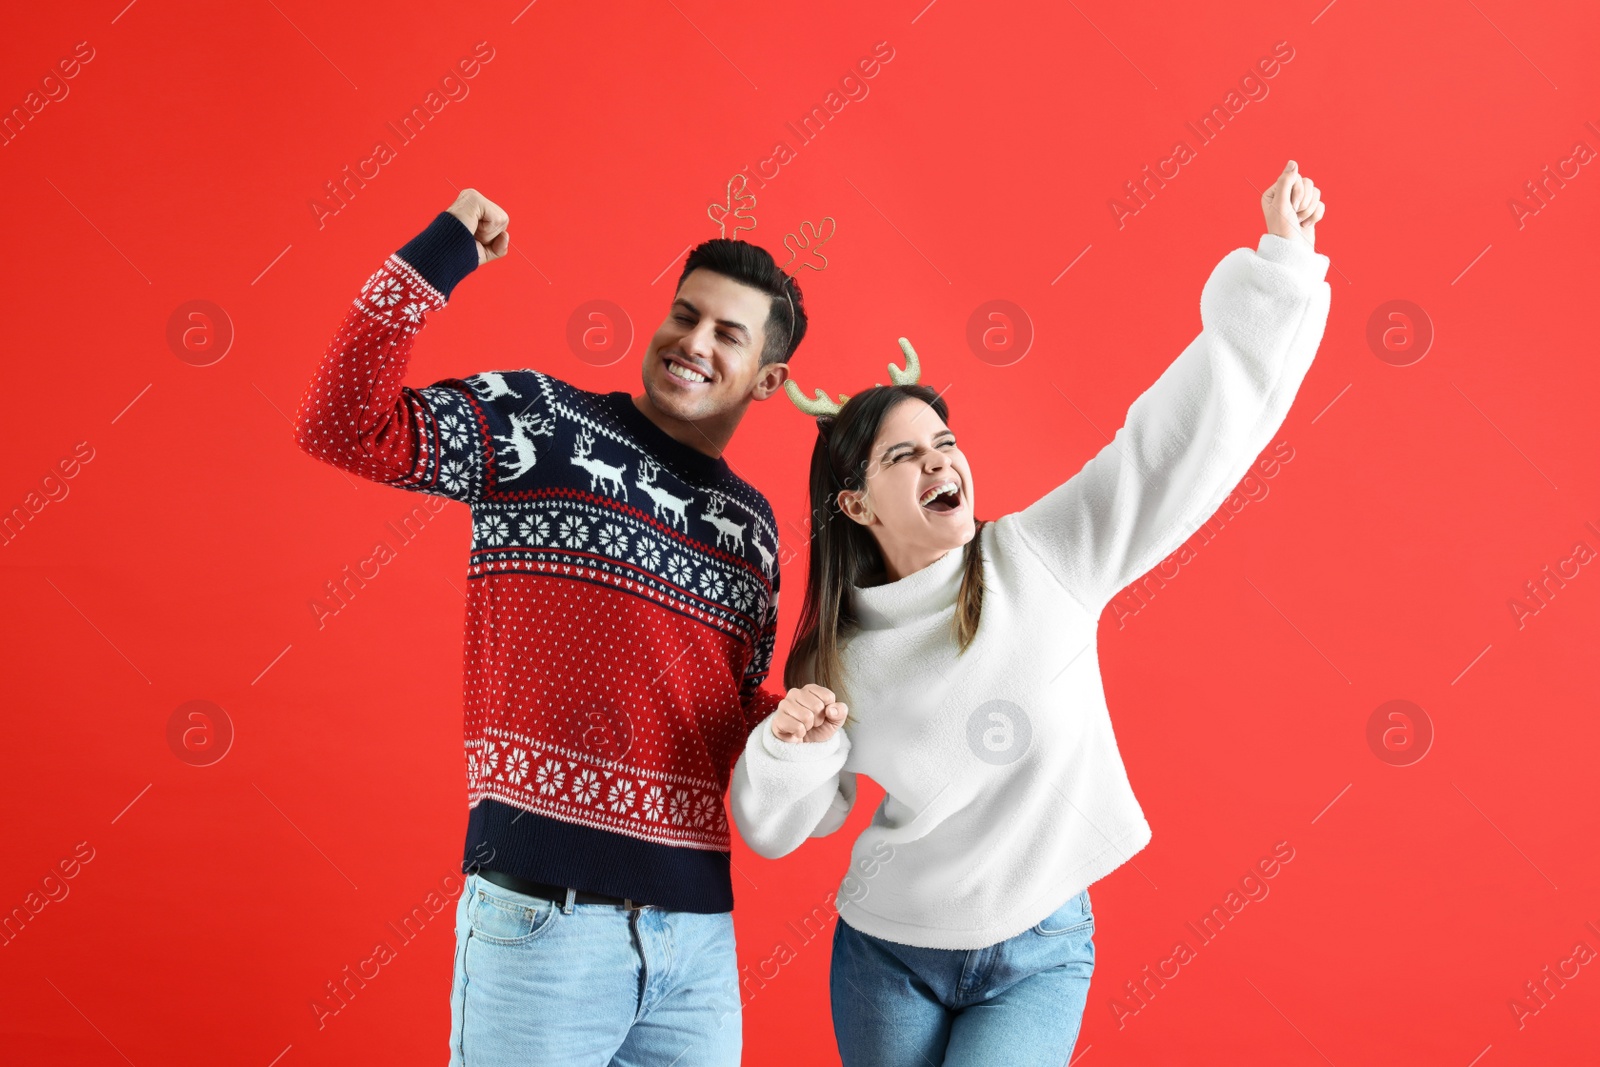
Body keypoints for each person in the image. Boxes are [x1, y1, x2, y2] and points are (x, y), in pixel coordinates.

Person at [729, 160, 1330, 1066]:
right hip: (887, 949)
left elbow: (1172, 442)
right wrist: (789, 748)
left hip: (1040, 948)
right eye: (903, 457)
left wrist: (1279, 266)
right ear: (856, 505)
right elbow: (792, 825)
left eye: (945, 442)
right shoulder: (835, 649)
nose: (940, 464)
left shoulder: (1041, 555)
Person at [293, 188, 803, 1066]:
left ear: (767, 378)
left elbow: (718, 721)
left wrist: (796, 724)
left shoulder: (752, 528)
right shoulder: (539, 421)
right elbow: (343, 425)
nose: (694, 342)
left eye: (729, 333)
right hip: (542, 922)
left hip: (697, 948)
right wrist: (438, 256)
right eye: (686, 314)